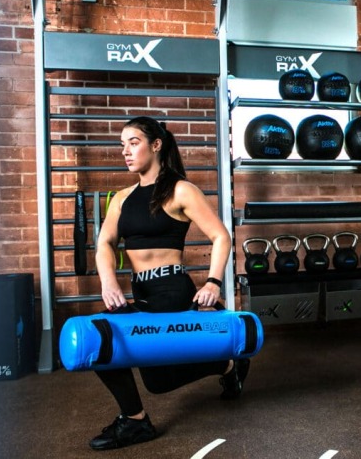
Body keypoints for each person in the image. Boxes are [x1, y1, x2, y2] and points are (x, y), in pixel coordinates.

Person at [91, 116, 248, 450]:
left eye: (133, 142)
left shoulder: (180, 190)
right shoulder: (121, 198)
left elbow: (221, 236)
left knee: (158, 381)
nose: (126, 151)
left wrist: (213, 282)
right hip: (140, 293)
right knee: (97, 341)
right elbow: (104, 243)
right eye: (122, 145)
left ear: (156, 145)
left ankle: (229, 362)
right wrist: (109, 281)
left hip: (173, 292)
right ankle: (135, 422)